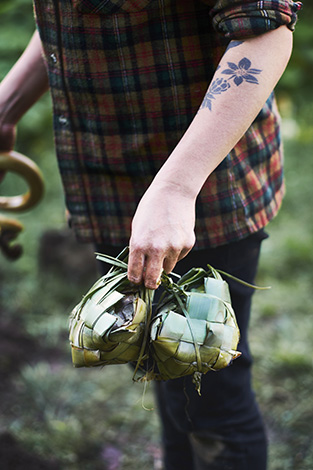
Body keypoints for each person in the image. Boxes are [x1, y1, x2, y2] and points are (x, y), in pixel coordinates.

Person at [0, 0, 302, 468]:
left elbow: (264, 35)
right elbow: (68, 19)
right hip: (112, 188)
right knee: (166, 368)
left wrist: (178, 187)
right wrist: (8, 103)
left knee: (212, 399)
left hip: (201, 195)